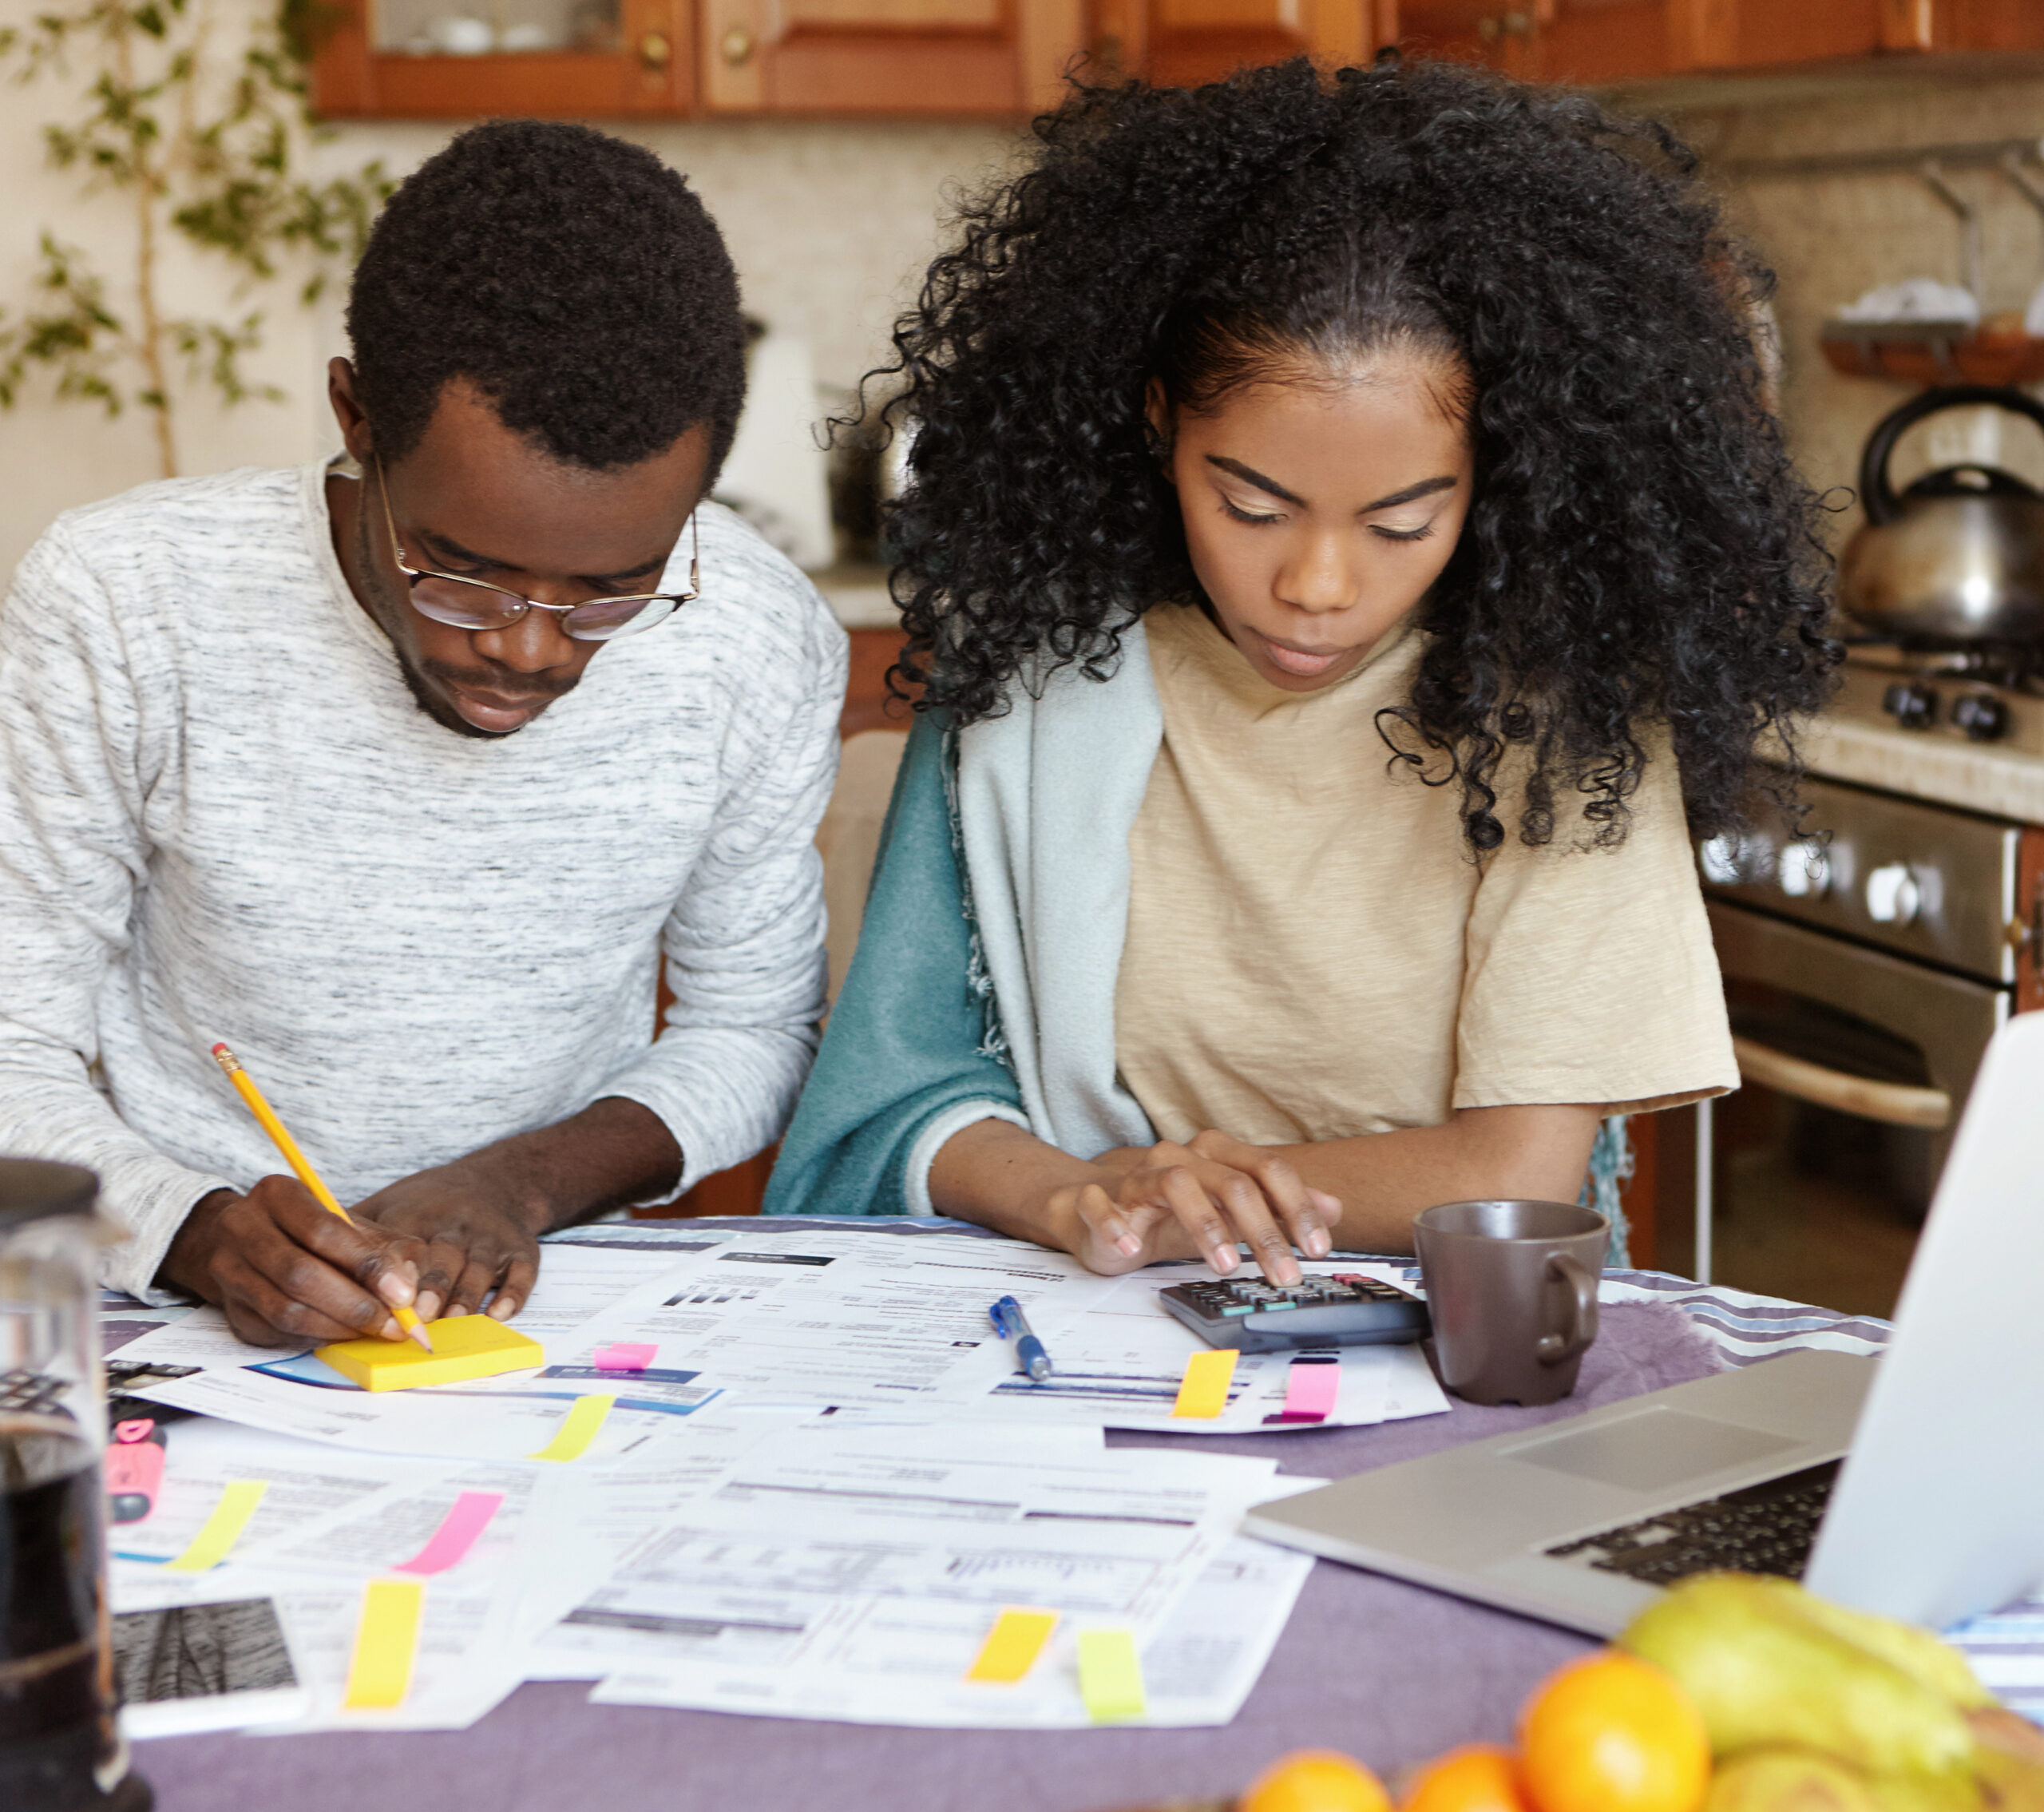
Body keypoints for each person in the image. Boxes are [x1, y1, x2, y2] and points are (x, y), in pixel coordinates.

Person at [766, 57, 1835, 1281]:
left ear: (1499, 474)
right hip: (1085, 1307)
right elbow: (894, 1086)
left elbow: (1516, 1173)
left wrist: (1195, 1206)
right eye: (1252, 503)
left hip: (1450, 1323)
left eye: (1400, 523)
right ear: (1161, 423)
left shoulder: (1564, 720)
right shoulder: (1038, 674)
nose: (1318, 585)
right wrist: (1081, 1195)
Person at [0, 121, 846, 1344]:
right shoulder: (124, 601)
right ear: (354, 416)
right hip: (170, 1317)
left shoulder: (757, 635)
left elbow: (754, 1027)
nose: (532, 647)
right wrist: (188, 1226)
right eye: (461, 572)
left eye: (615, 588)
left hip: (542, 1319)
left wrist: (522, 1184)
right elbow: (14, 1040)